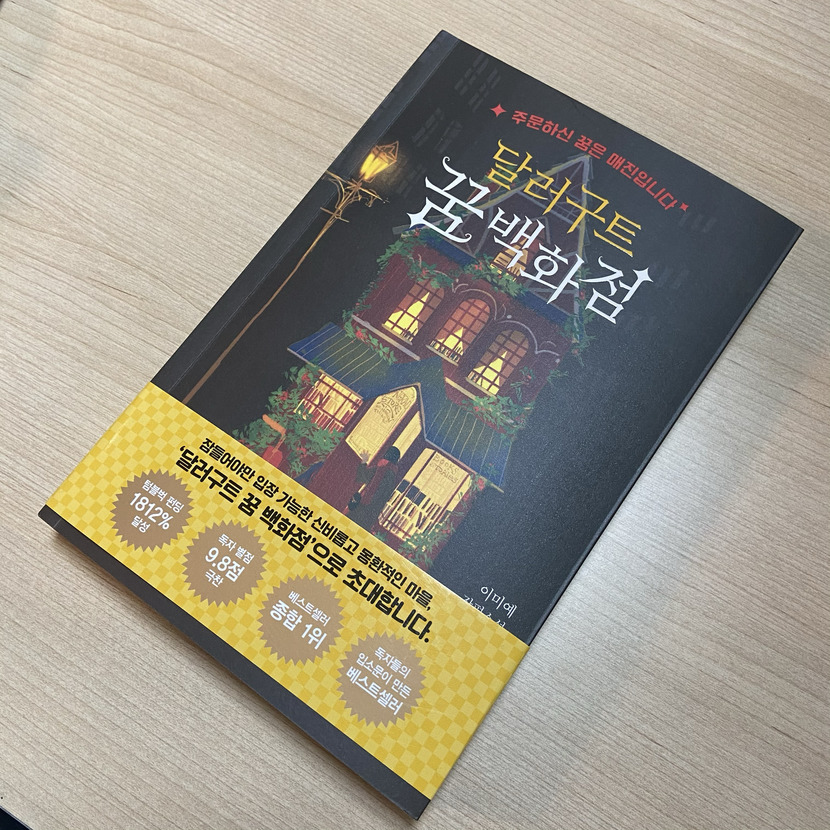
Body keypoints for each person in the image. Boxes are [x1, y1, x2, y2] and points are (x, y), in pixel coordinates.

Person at [347, 446, 401, 531]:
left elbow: (362, 477)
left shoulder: (383, 470)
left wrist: (364, 461)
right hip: (369, 512)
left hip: (364, 509)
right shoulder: (388, 472)